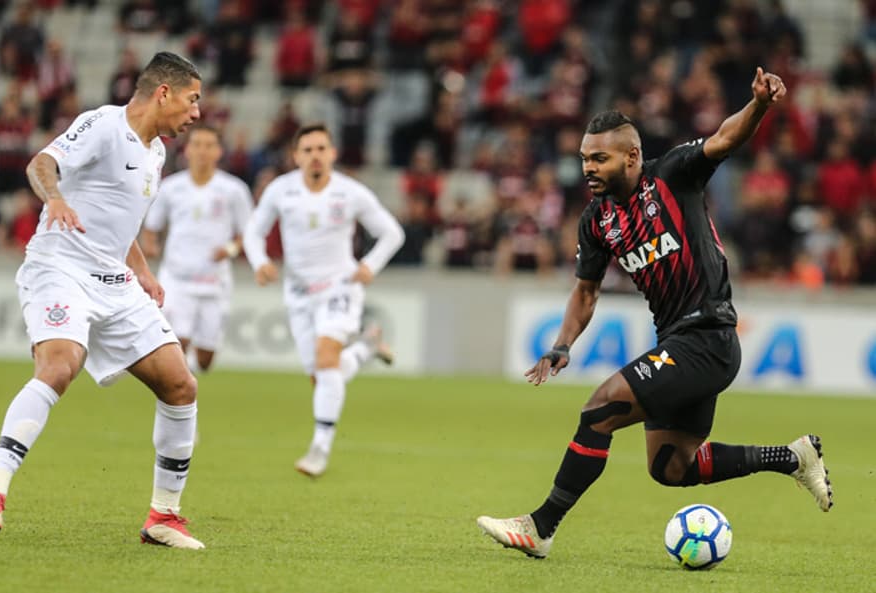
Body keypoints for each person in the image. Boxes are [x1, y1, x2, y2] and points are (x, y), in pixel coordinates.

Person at [477, 67, 833, 559]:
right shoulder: (597, 222)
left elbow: (727, 138)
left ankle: (541, 527)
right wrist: (562, 344)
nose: (589, 169)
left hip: (708, 337)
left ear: (632, 156)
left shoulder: (673, 174)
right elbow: (586, 292)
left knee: (600, 410)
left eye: (600, 159)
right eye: (584, 159)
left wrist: (759, 105)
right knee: (671, 466)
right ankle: (792, 458)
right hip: (676, 343)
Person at [0, 52, 207, 549]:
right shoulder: (102, 124)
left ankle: (164, 516)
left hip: (115, 281)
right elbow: (42, 163)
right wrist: (53, 197)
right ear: (164, 93)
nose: (197, 113)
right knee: (59, 367)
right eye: (192, 99)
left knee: (181, 385)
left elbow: (120, 220)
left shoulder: (157, 152)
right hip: (59, 267)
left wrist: (141, 270)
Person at [243, 124, 404, 478]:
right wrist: (260, 262)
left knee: (326, 358)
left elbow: (392, 232)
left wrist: (370, 265)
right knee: (323, 376)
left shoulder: (350, 193)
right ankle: (366, 347)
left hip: (340, 288)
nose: (315, 155)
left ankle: (320, 448)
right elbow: (253, 231)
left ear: (332, 153)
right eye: (308, 149)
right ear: (296, 156)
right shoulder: (281, 190)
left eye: (321, 148)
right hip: (299, 293)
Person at [141, 124, 253, 373]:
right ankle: (179, 392)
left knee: (205, 359)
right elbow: (151, 227)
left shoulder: (234, 190)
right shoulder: (170, 187)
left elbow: (249, 234)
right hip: (177, 278)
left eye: (209, 145)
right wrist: (151, 245)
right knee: (176, 342)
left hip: (215, 281)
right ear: (187, 150)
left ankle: (187, 373)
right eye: (197, 145)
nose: (203, 151)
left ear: (218, 152)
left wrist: (231, 250)